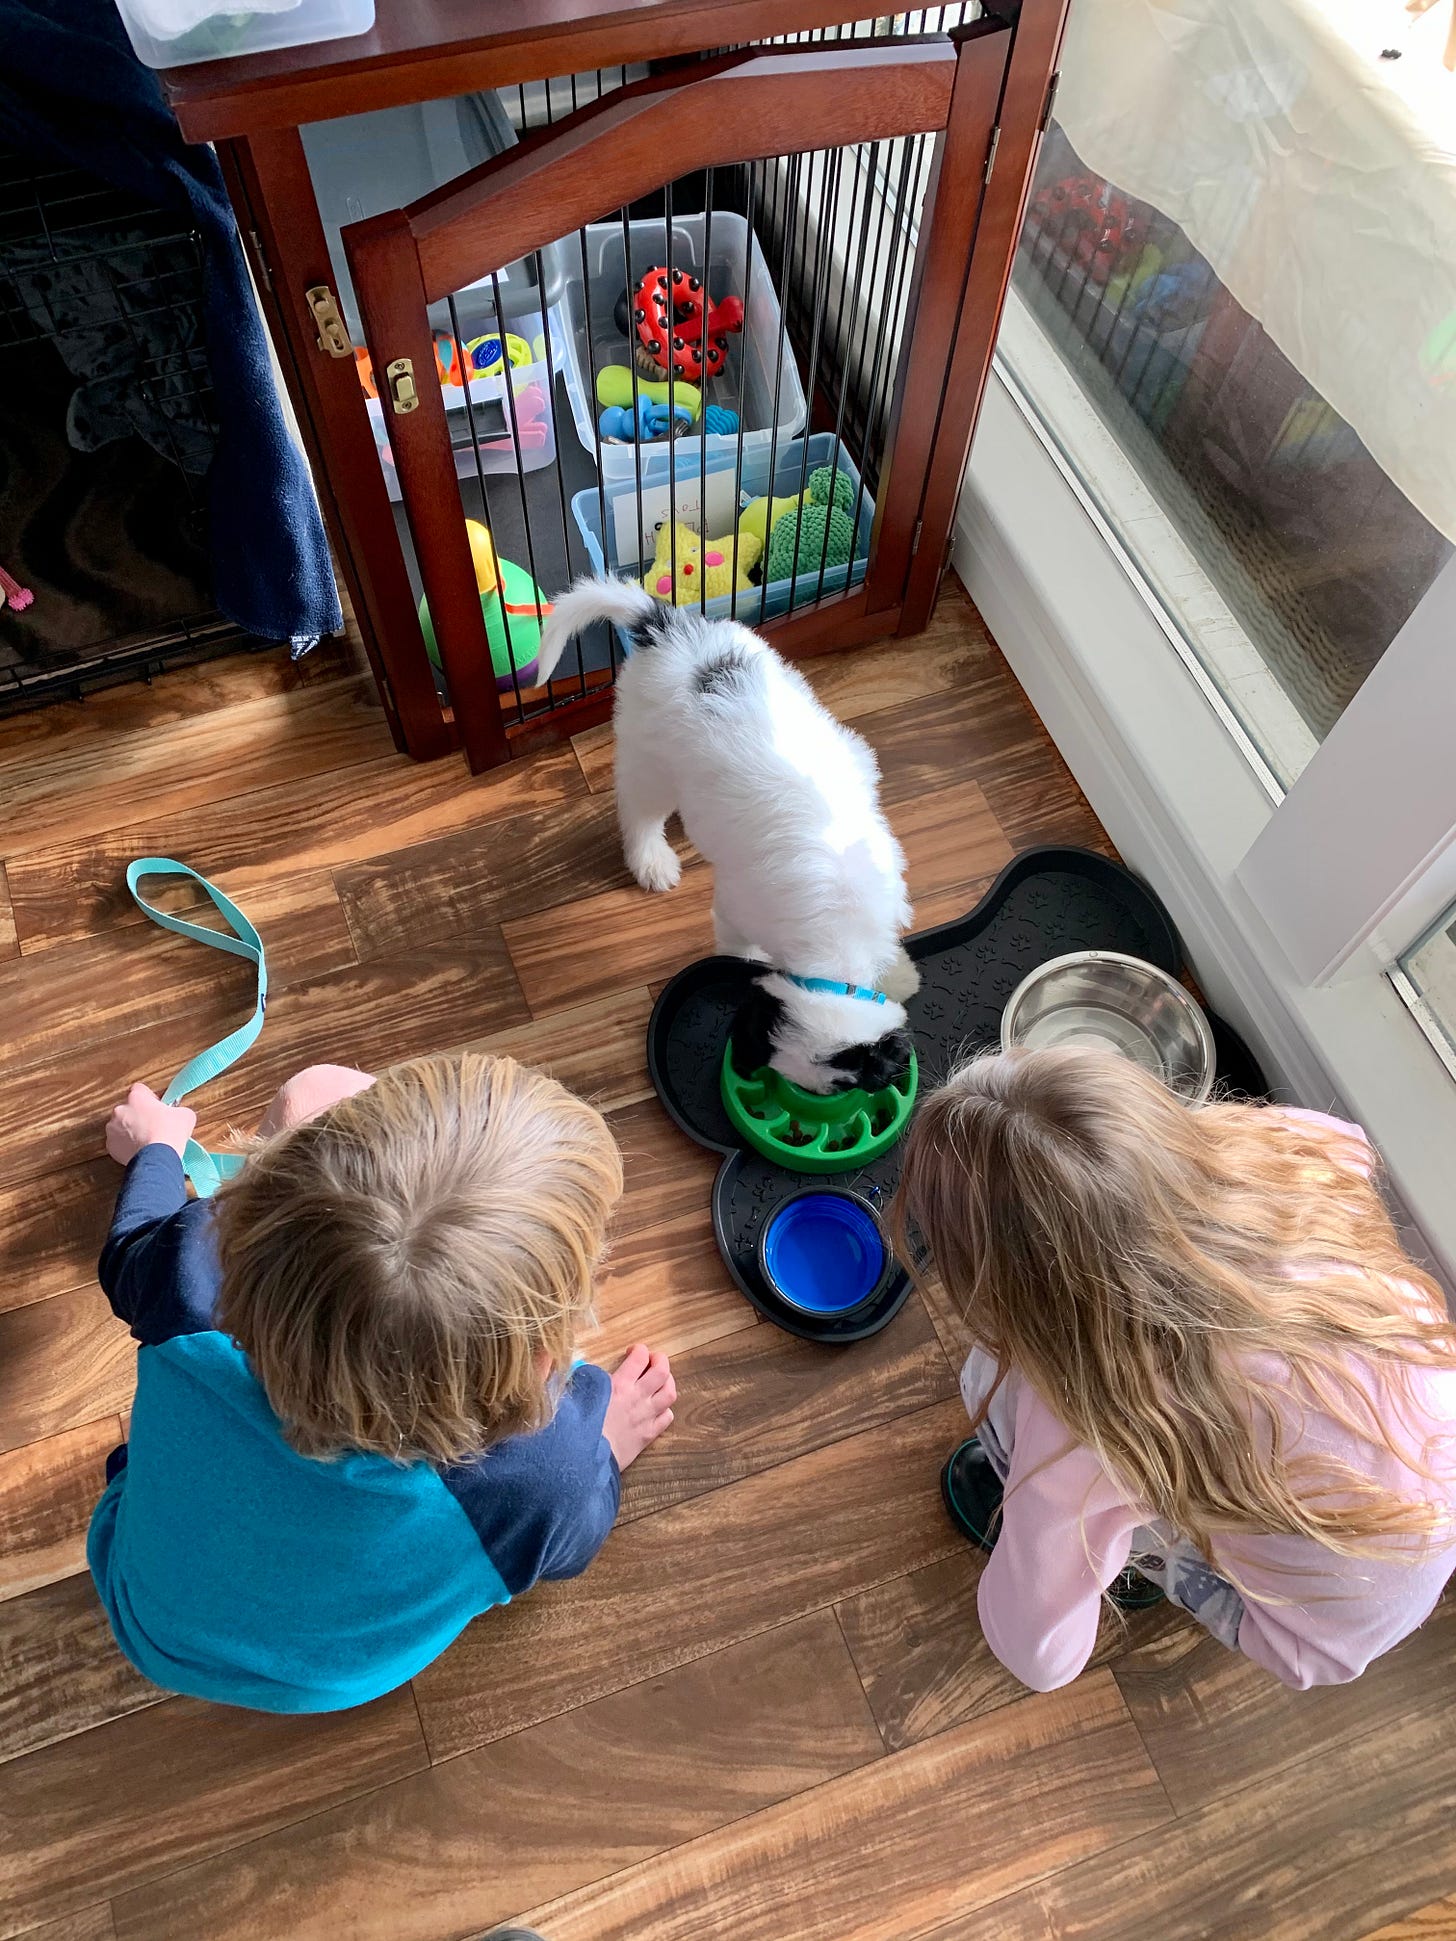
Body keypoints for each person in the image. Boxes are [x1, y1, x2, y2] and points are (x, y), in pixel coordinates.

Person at [88, 1054, 675, 1713]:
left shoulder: (186, 1276)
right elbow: (573, 1539)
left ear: (248, 1222)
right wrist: (604, 1450)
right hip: (323, 1683)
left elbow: (129, 1242)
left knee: (317, 1090)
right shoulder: (539, 1479)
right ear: (543, 1364)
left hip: (149, 1620)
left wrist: (158, 1148)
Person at [894, 1045, 1456, 1691]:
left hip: (1305, 1634)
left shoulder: (1100, 1414)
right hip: (1420, 1510)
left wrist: (1040, 1527)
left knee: (994, 1395)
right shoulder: (1298, 1149)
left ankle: (1144, 1563)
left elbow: (1039, 1654)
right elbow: (1347, 1140)